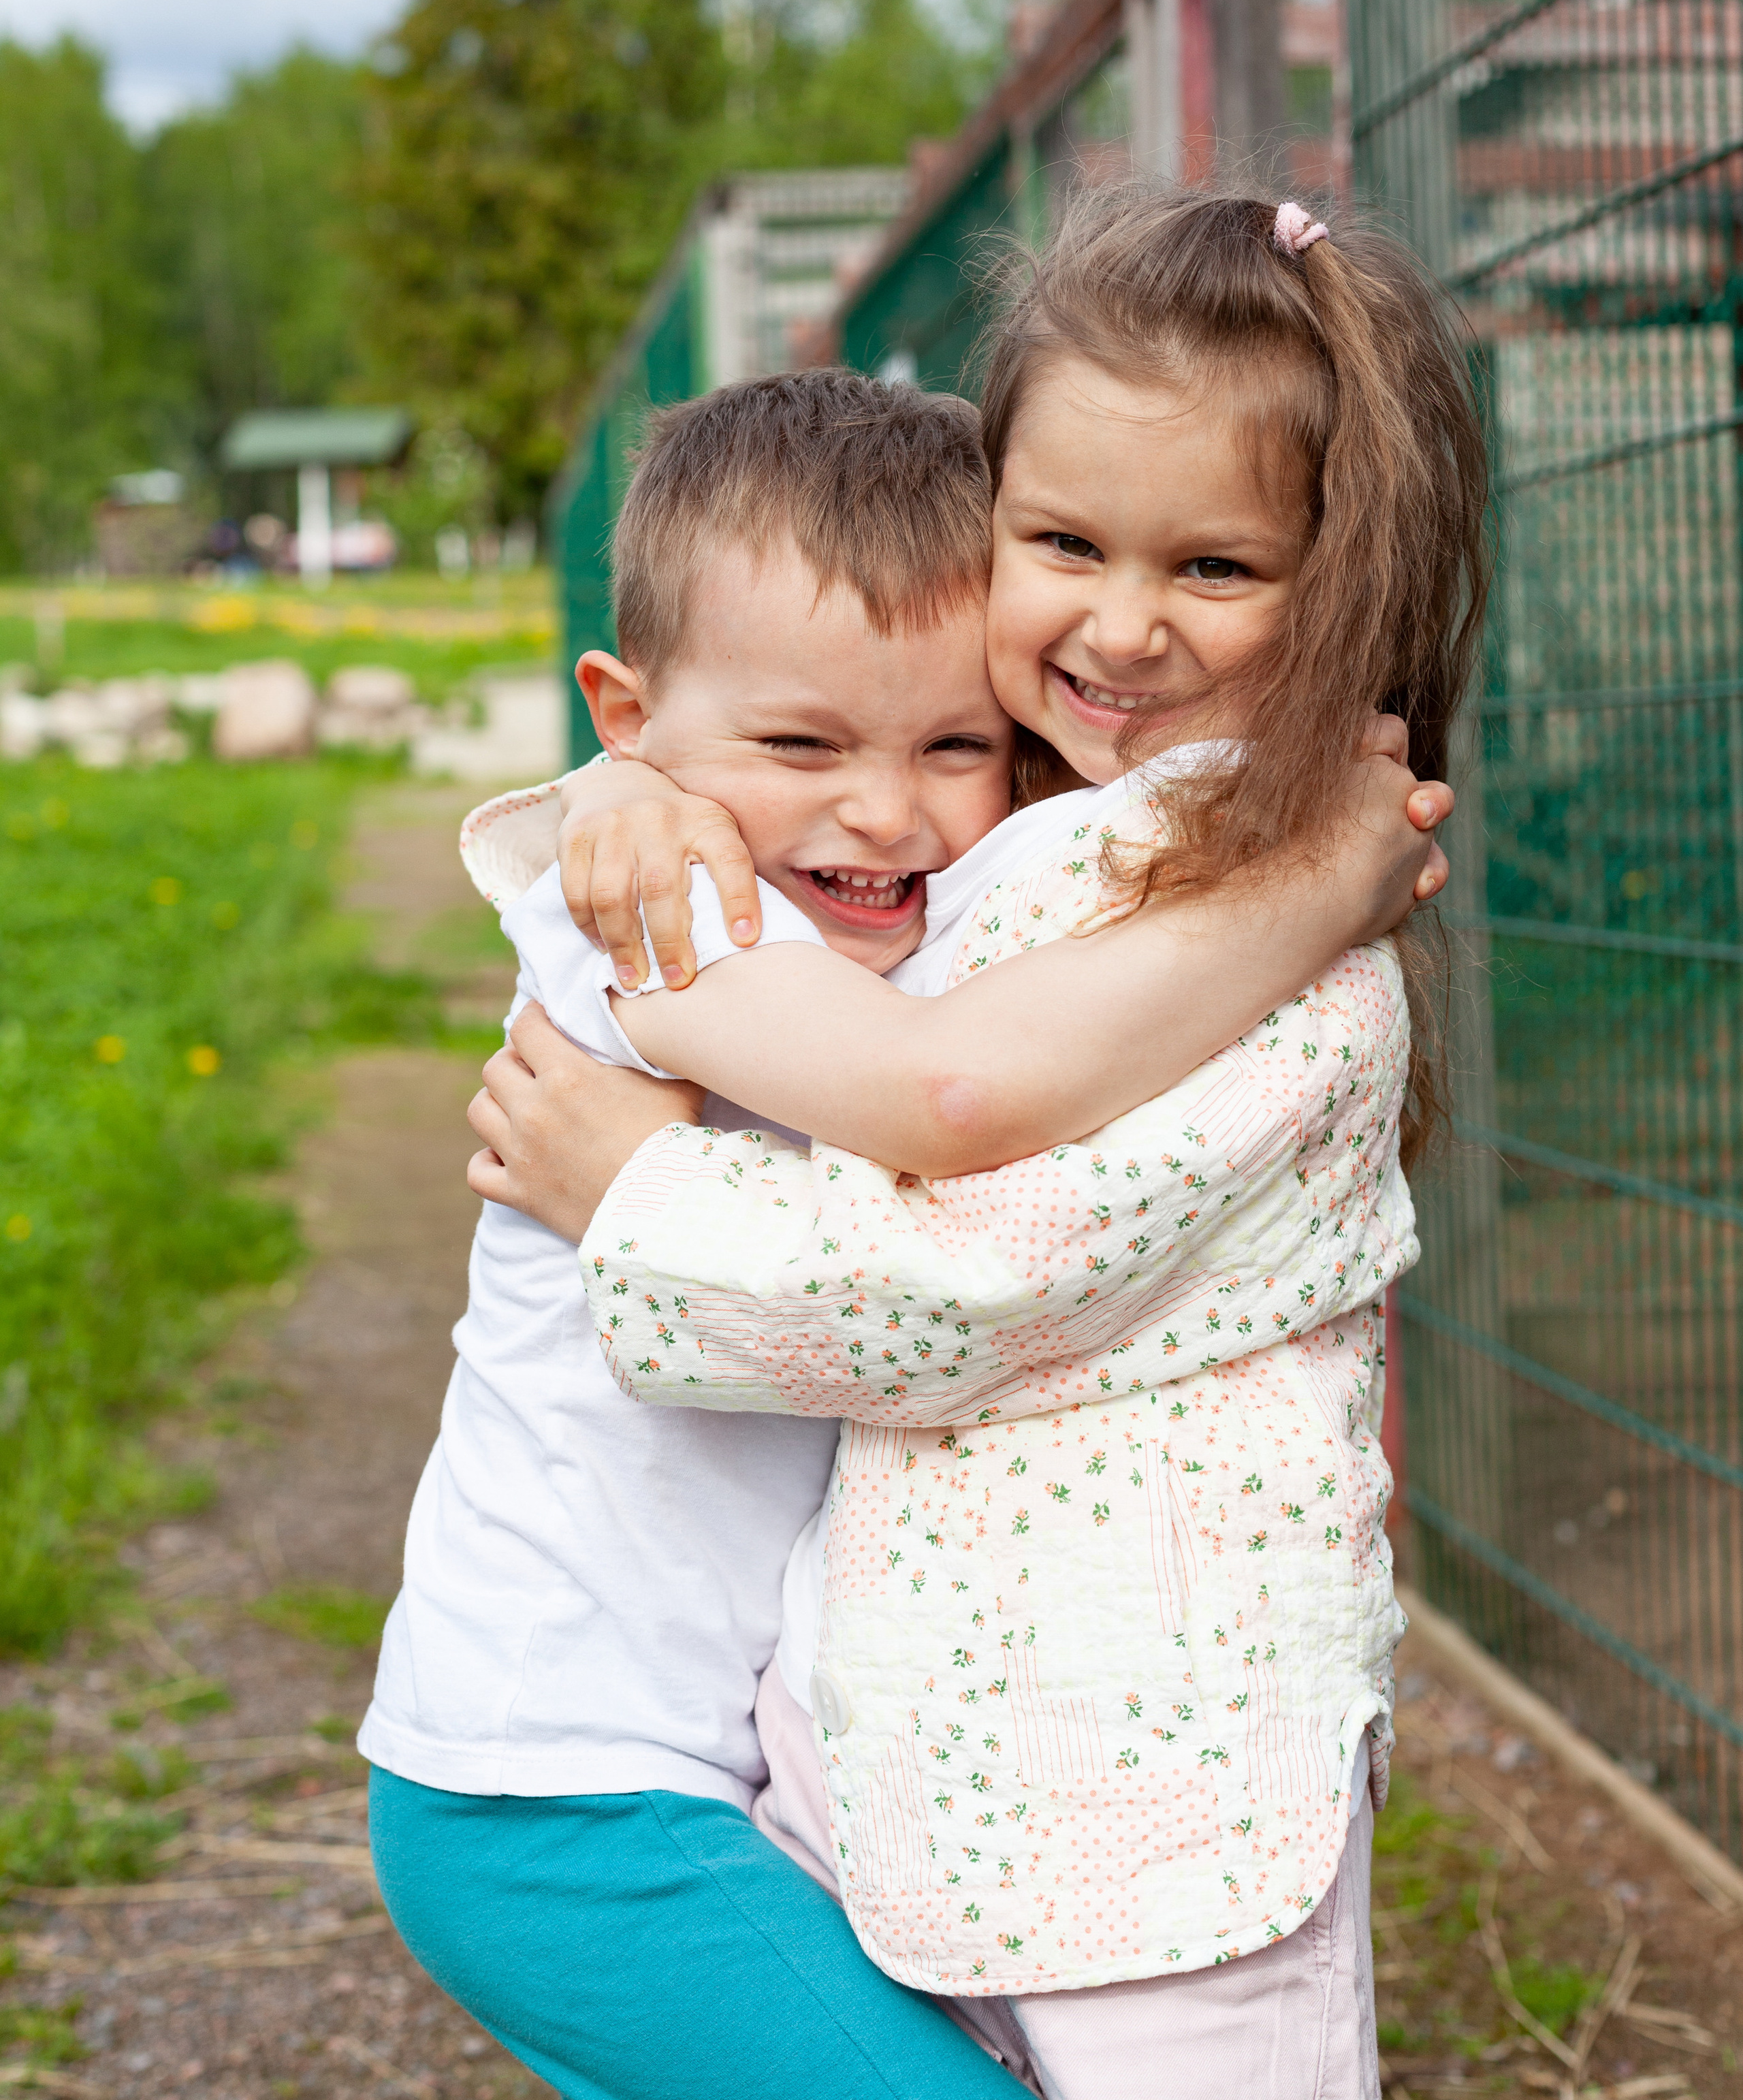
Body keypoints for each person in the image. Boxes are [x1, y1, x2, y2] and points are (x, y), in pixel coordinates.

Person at [469, 191, 1488, 2099]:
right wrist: (629, 795)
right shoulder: (1026, 834)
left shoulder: (1288, 970)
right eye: (1064, 543)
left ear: (1348, 581)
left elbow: (967, 1273)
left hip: (1158, 1790)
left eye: (1218, 565)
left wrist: (640, 1192)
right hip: (924, 1753)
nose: (1121, 622)